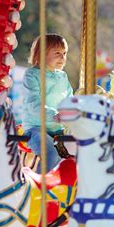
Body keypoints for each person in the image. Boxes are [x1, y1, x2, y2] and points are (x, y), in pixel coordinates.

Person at [22, 33, 73, 171]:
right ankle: (41, 188)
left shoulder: (62, 76)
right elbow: (34, 103)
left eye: (64, 53)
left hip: (60, 129)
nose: (63, 57)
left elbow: (70, 99)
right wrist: (55, 115)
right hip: (36, 128)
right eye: (57, 53)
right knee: (50, 153)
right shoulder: (32, 75)